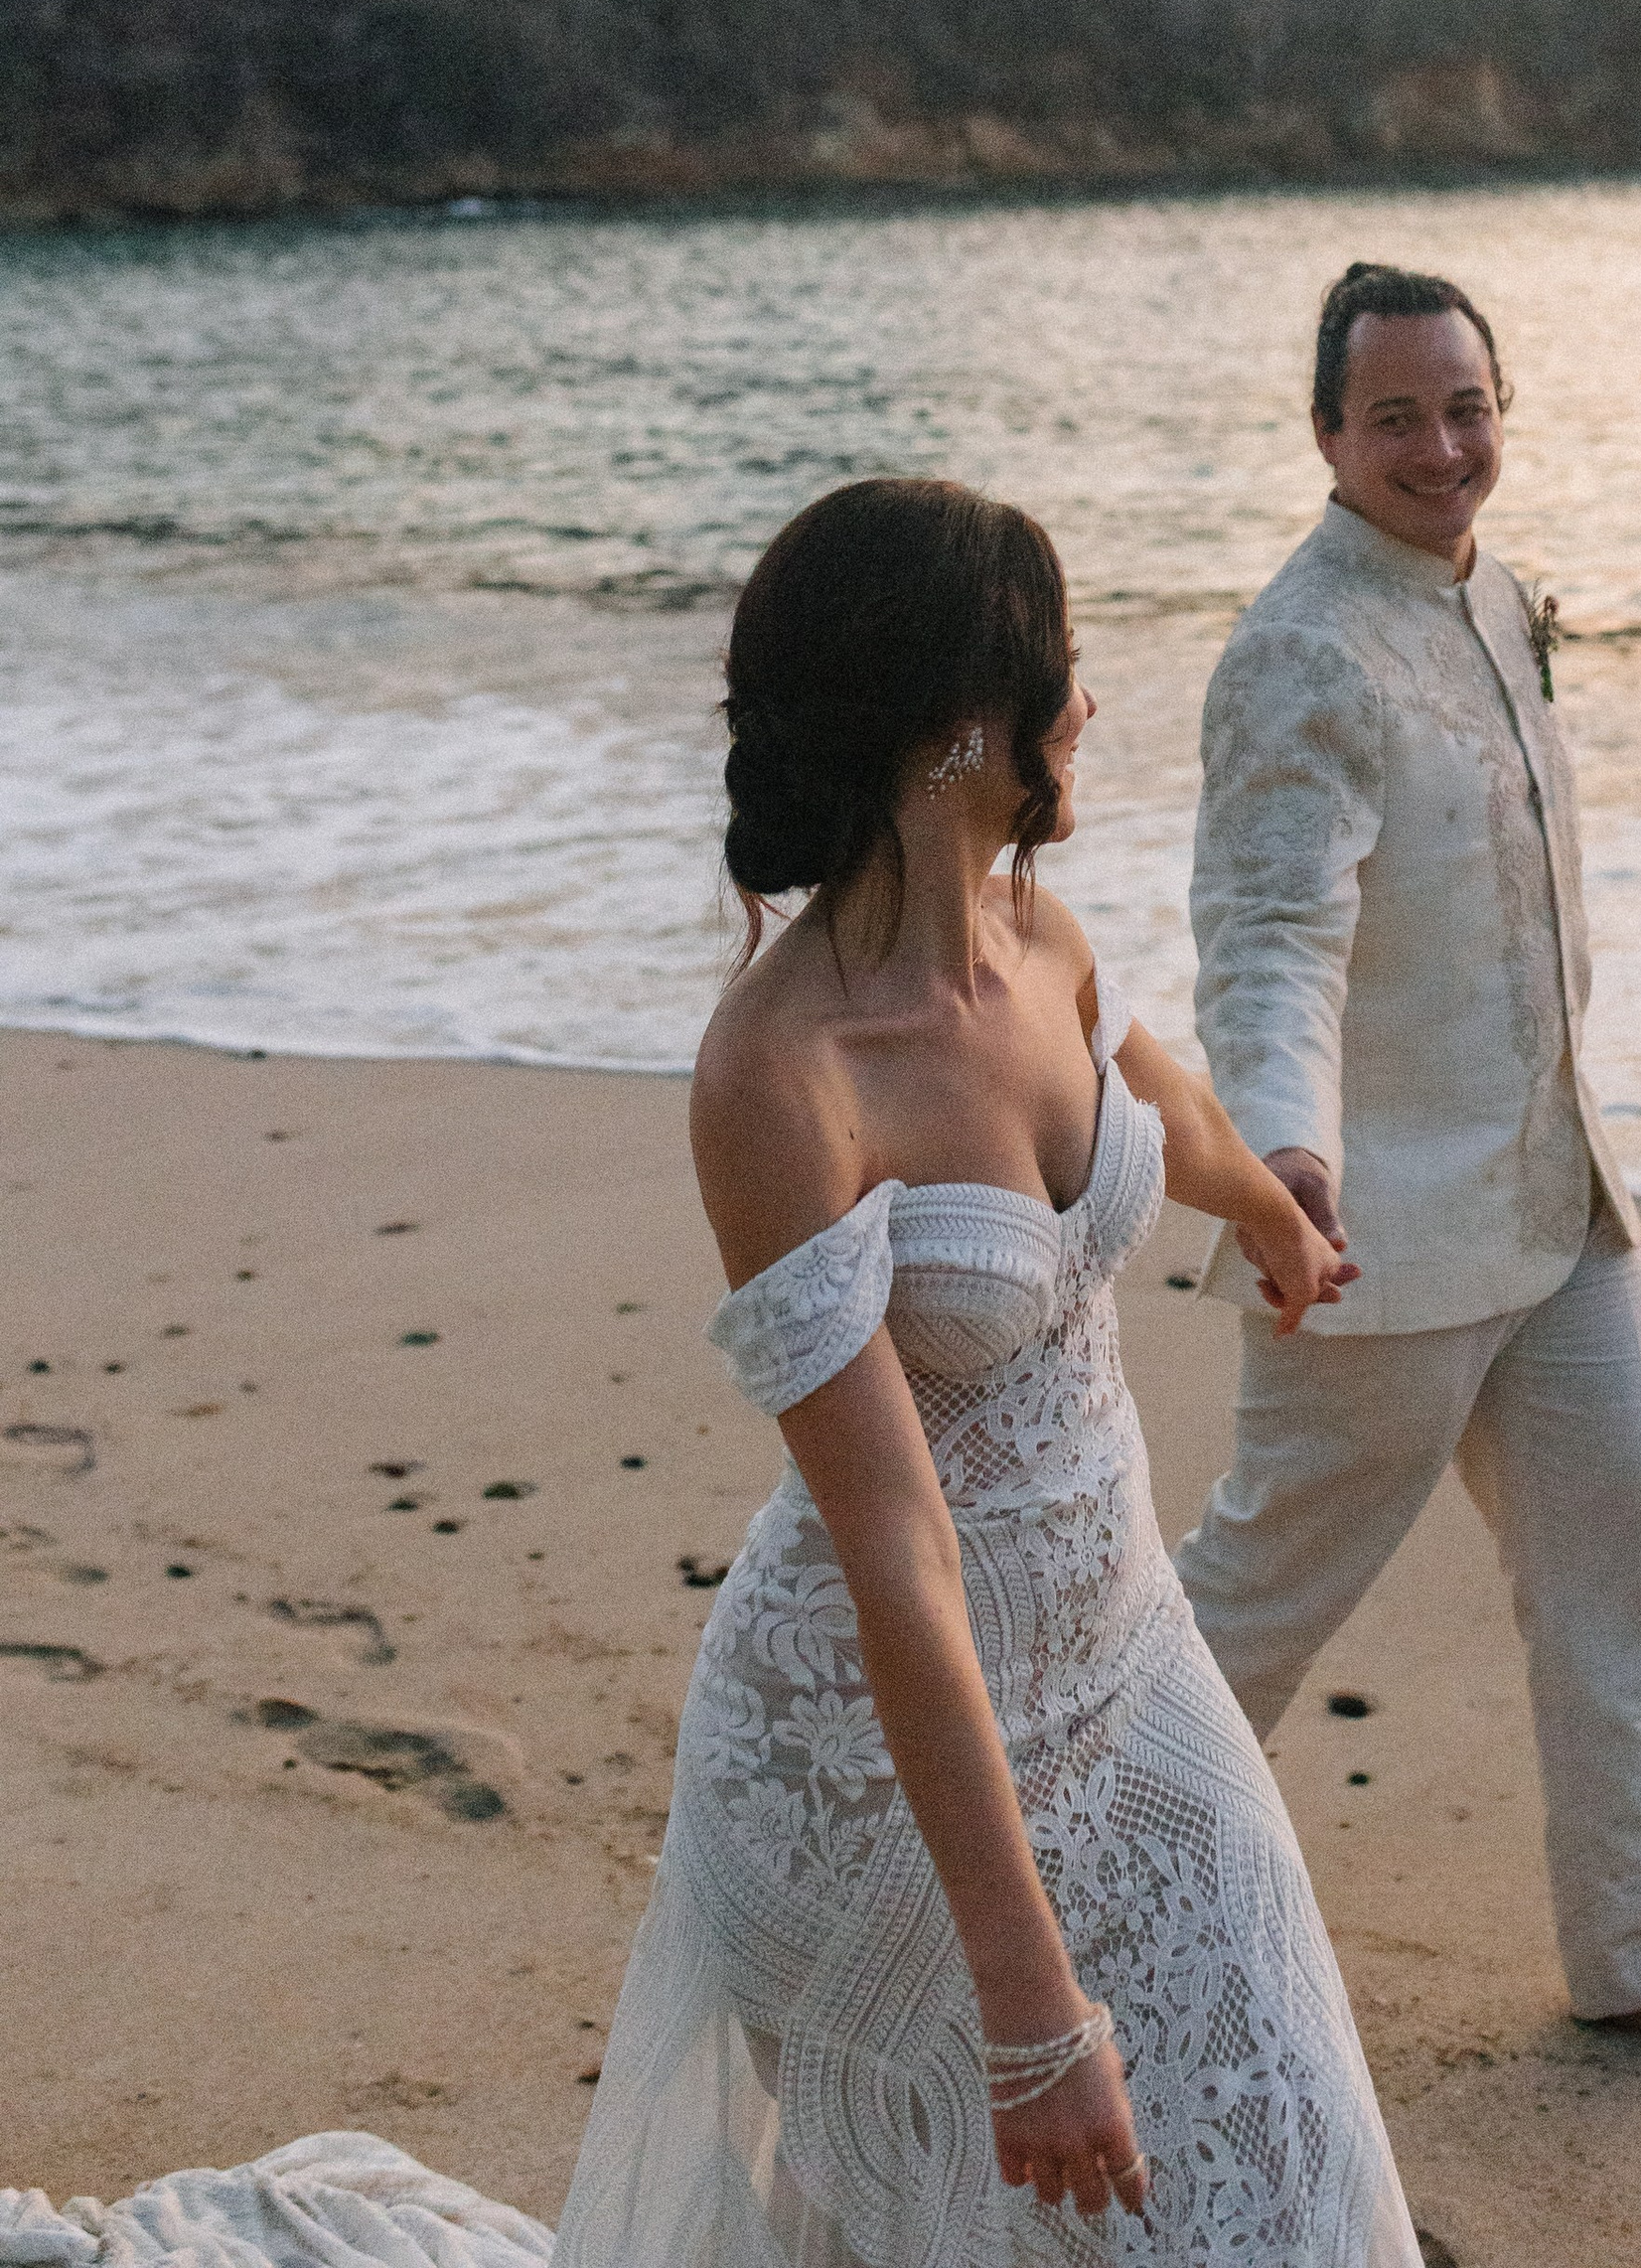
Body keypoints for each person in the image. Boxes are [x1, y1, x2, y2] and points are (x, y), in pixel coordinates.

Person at [556, 477, 1423, 2267]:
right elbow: (899, 1556)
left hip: (1126, 1662)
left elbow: (1147, 1093)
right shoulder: (779, 1078)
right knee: (1001, 2223)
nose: (1090, 709)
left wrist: (1266, 1210)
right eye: (1068, 673)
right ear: (966, 727)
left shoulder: (1043, 937)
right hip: (877, 1773)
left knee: (1292, 2151)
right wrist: (1035, 2017)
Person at [1175, 263, 1641, 2077]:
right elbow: (1267, 936)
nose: (1441, 445)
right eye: (1394, 414)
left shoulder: (1495, 601)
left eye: (1466, 405)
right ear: (1326, 433)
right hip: (1378, 1236)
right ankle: (1043, 1912)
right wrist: (1287, 1154)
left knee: (1626, 1566)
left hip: (1560, 1208)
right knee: (1245, 1609)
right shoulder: (1301, 652)